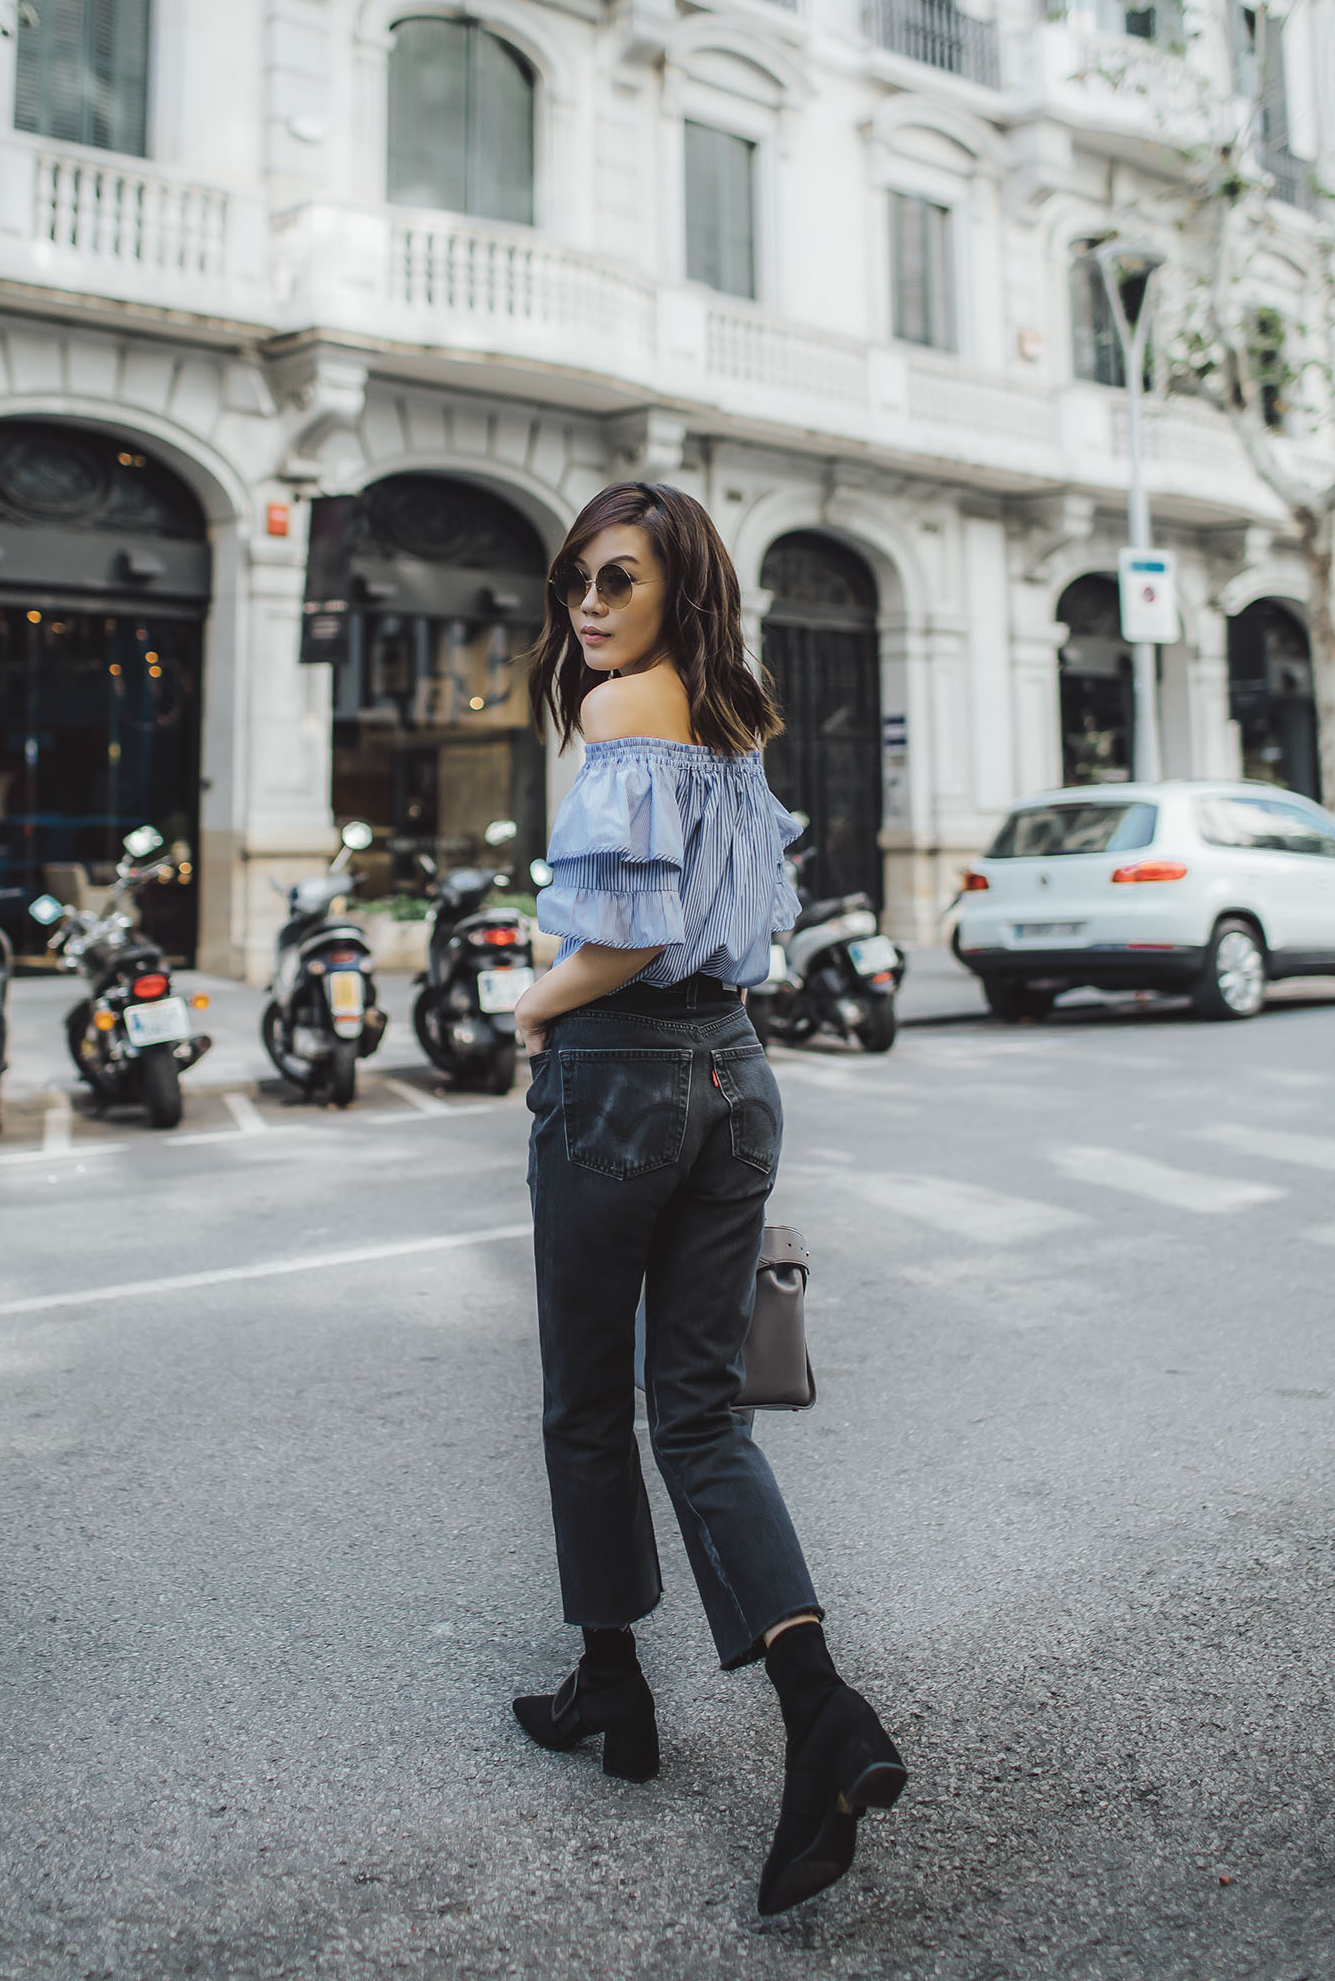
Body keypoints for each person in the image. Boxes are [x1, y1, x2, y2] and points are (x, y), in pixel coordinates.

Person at [510, 482, 906, 1917]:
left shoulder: (625, 716)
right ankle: (821, 1710)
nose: (590, 607)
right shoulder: (732, 716)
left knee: (583, 1397)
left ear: (680, 588)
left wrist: (532, 1008)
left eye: (618, 581)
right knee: (700, 1411)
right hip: (737, 1072)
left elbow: (625, 933)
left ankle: (614, 1686)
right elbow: (746, 917)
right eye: (575, 583)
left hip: (622, 1074)